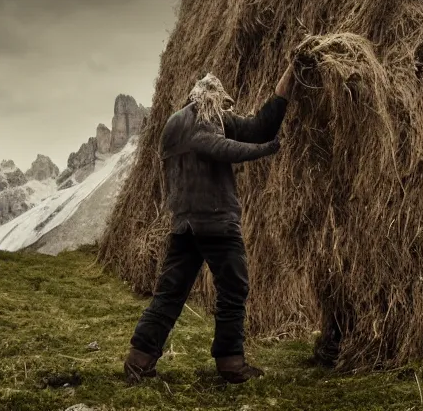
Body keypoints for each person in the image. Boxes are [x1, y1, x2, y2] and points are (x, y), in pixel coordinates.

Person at [124, 67, 295, 384]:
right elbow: (215, 146)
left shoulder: (174, 122)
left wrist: (282, 90)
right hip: (215, 221)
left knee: (170, 294)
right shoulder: (205, 114)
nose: (225, 109)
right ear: (212, 97)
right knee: (233, 288)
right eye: (221, 101)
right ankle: (230, 363)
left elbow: (257, 127)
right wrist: (265, 150)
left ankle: (139, 360)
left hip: (184, 224)